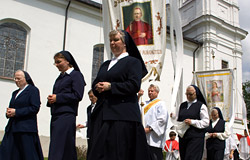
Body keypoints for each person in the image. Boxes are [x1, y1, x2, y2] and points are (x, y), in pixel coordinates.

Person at [87, 29, 150, 160]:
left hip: (122, 114)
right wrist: (97, 87)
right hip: (103, 112)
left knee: (118, 152)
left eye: (116, 40)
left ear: (125, 43)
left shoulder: (133, 62)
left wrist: (111, 86)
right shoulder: (105, 64)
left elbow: (133, 85)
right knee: (100, 152)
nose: (112, 43)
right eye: (110, 40)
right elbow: (96, 82)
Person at [47, 50, 86, 160]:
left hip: (66, 114)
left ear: (68, 61)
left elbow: (78, 95)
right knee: (66, 147)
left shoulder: (76, 75)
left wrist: (58, 98)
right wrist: (51, 99)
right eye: (55, 63)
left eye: (59, 62)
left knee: (57, 146)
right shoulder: (60, 77)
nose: (56, 65)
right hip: (56, 114)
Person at [0, 70, 43, 160]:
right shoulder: (15, 93)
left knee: (27, 155)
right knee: (6, 153)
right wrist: (8, 113)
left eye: (18, 78)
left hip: (25, 128)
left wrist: (16, 112)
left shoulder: (33, 90)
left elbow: (34, 108)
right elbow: (12, 107)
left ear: (25, 79)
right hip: (12, 128)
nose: (16, 80)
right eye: (15, 78)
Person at [173, 85, 209, 160]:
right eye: (187, 94)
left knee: (191, 157)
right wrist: (173, 116)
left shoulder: (201, 106)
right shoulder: (182, 105)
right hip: (183, 137)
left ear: (196, 94)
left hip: (195, 137)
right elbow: (179, 119)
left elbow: (206, 122)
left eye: (190, 94)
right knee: (184, 157)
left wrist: (192, 122)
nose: (188, 96)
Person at [142, 84, 169, 160]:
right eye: (149, 91)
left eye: (152, 91)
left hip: (155, 137)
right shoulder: (144, 103)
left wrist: (150, 128)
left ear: (157, 92)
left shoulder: (160, 104)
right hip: (145, 136)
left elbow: (162, 119)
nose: (150, 92)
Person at [76, 89, 97, 156]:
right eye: (89, 97)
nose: (90, 98)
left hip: (98, 131)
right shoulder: (89, 108)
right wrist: (84, 125)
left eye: (92, 96)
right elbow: (90, 119)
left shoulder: (101, 107)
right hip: (90, 133)